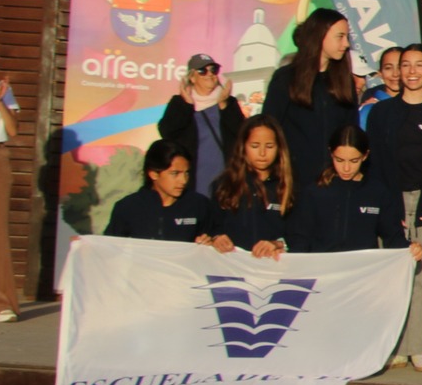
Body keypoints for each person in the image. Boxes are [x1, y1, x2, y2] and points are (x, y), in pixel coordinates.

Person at [361, 43, 422, 370]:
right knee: (392, 277)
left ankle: (419, 346)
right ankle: (394, 346)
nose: (412, 71)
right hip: (391, 202)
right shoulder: (381, 114)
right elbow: (374, 166)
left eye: (419, 65)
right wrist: (386, 211)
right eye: (406, 65)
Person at [261, 8, 359, 189]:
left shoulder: (344, 81)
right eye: (340, 36)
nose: (346, 44)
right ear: (320, 35)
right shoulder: (286, 78)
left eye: (347, 37)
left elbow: (351, 131)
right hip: (293, 183)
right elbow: (269, 126)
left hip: (335, 182)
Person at [288, 127, 421, 259]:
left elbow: (394, 238)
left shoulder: (377, 192)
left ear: (365, 155)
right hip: (323, 268)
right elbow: (299, 240)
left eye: (354, 161)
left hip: (363, 269)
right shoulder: (314, 192)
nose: (346, 168)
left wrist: (412, 249)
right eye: (339, 160)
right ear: (331, 154)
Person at [155, 53, 243, 198]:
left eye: (213, 70)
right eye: (202, 71)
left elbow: (242, 134)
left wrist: (224, 105)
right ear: (192, 77)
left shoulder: (228, 102)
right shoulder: (180, 103)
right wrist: (187, 105)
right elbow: (166, 132)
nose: (210, 74)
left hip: (224, 181)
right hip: (193, 181)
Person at [209, 115, 293, 258]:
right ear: (243, 147)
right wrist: (216, 238)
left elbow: (299, 235)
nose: (262, 153)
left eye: (269, 146)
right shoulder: (224, 185)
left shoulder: (289, 187)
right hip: (233, 265)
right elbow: (211, 227)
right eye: (255, 146)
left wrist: (277, 244)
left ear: (279, 148)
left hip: (273, 266)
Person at [104, 140, 215, 243]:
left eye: (186, 173)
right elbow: (109, 249)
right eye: (175, 173)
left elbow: (218, 238)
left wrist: (212, 242)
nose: (183, 180)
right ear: (153, 174)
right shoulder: (128, 207)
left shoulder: (199, 205)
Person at [358, 46, 402, 122]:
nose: (395, 74)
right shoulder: (370, 97)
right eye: (388, 68)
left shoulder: (421, 99)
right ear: (380, 73)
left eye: (400, 67)